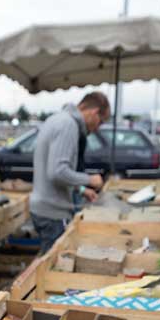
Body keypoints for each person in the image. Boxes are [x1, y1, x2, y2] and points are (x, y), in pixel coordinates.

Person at [30, 92, 110, 253]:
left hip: (44, 208)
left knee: (47, 259)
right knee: (53, 264)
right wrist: (89, 180)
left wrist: (81, 189)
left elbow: (53, 171)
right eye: (101, 122)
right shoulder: (68, 125)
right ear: (94, 112)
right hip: (53, 213)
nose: (97, 128)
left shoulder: (58, 119)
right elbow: (57, 172)